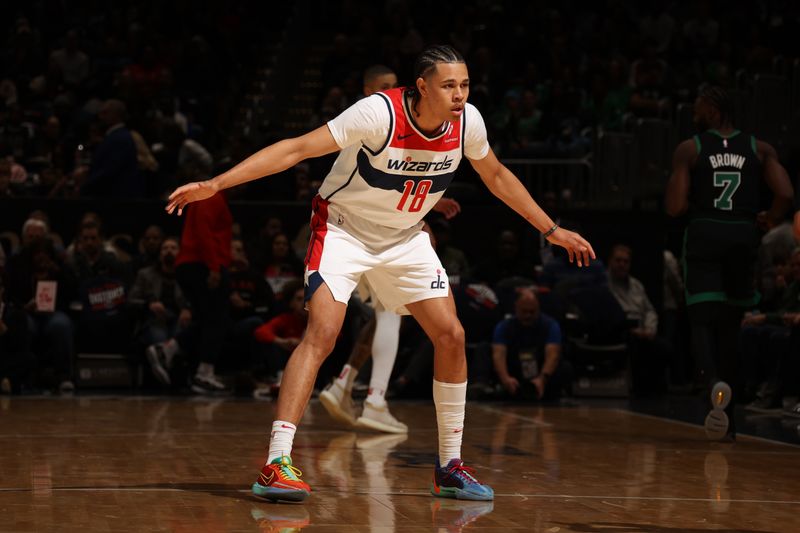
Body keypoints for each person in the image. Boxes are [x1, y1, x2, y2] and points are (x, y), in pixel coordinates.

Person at [167, 45, 594, 503]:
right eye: (449, 85)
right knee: (324, 334)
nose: (459, 94)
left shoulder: (468, 122)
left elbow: (497, 176)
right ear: (422, 86)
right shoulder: (377, 114)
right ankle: (277, 463)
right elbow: (296, 149)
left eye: (465, 85)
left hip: (405, 237)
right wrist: (216, 185)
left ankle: (450, 466)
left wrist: (549, 229)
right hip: (343, 229)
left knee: (450, 334)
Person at [319, 65, 460, 435]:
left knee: (384, 314)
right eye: (382, 88)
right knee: (387, 315)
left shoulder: (395, 126)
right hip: (353, 233)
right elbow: (379, 193)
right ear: (366, 90)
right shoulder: (368, 122)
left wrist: (429, 199)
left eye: (393, 87)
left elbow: (400, 181)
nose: (391, 93)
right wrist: (422, 220)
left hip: (373, 231)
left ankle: (345, 381)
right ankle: (375, 398)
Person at [666, 85, 794, 440]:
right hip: (743, 233)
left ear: (712, 108)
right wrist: (771, 216)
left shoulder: (691, 148)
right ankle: (729, 422)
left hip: (706, 231)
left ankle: (713, 385)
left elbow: (675, 207)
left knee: (701, 319)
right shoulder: (759, 147)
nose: (694, 111)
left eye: (698, 105)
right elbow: (785, 193)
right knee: (731, 325)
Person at [491, 289, 566, 401]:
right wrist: (505, 378)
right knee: (484, 349)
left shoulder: (550, 325)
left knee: (564, 366)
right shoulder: (504, 326)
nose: (528, 315)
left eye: (532, 312)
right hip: (514, 371)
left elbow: (553, 355)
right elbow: (498, 354)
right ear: (516, 308)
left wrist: (542, 379)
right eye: (524, 311)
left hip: (541, 371)